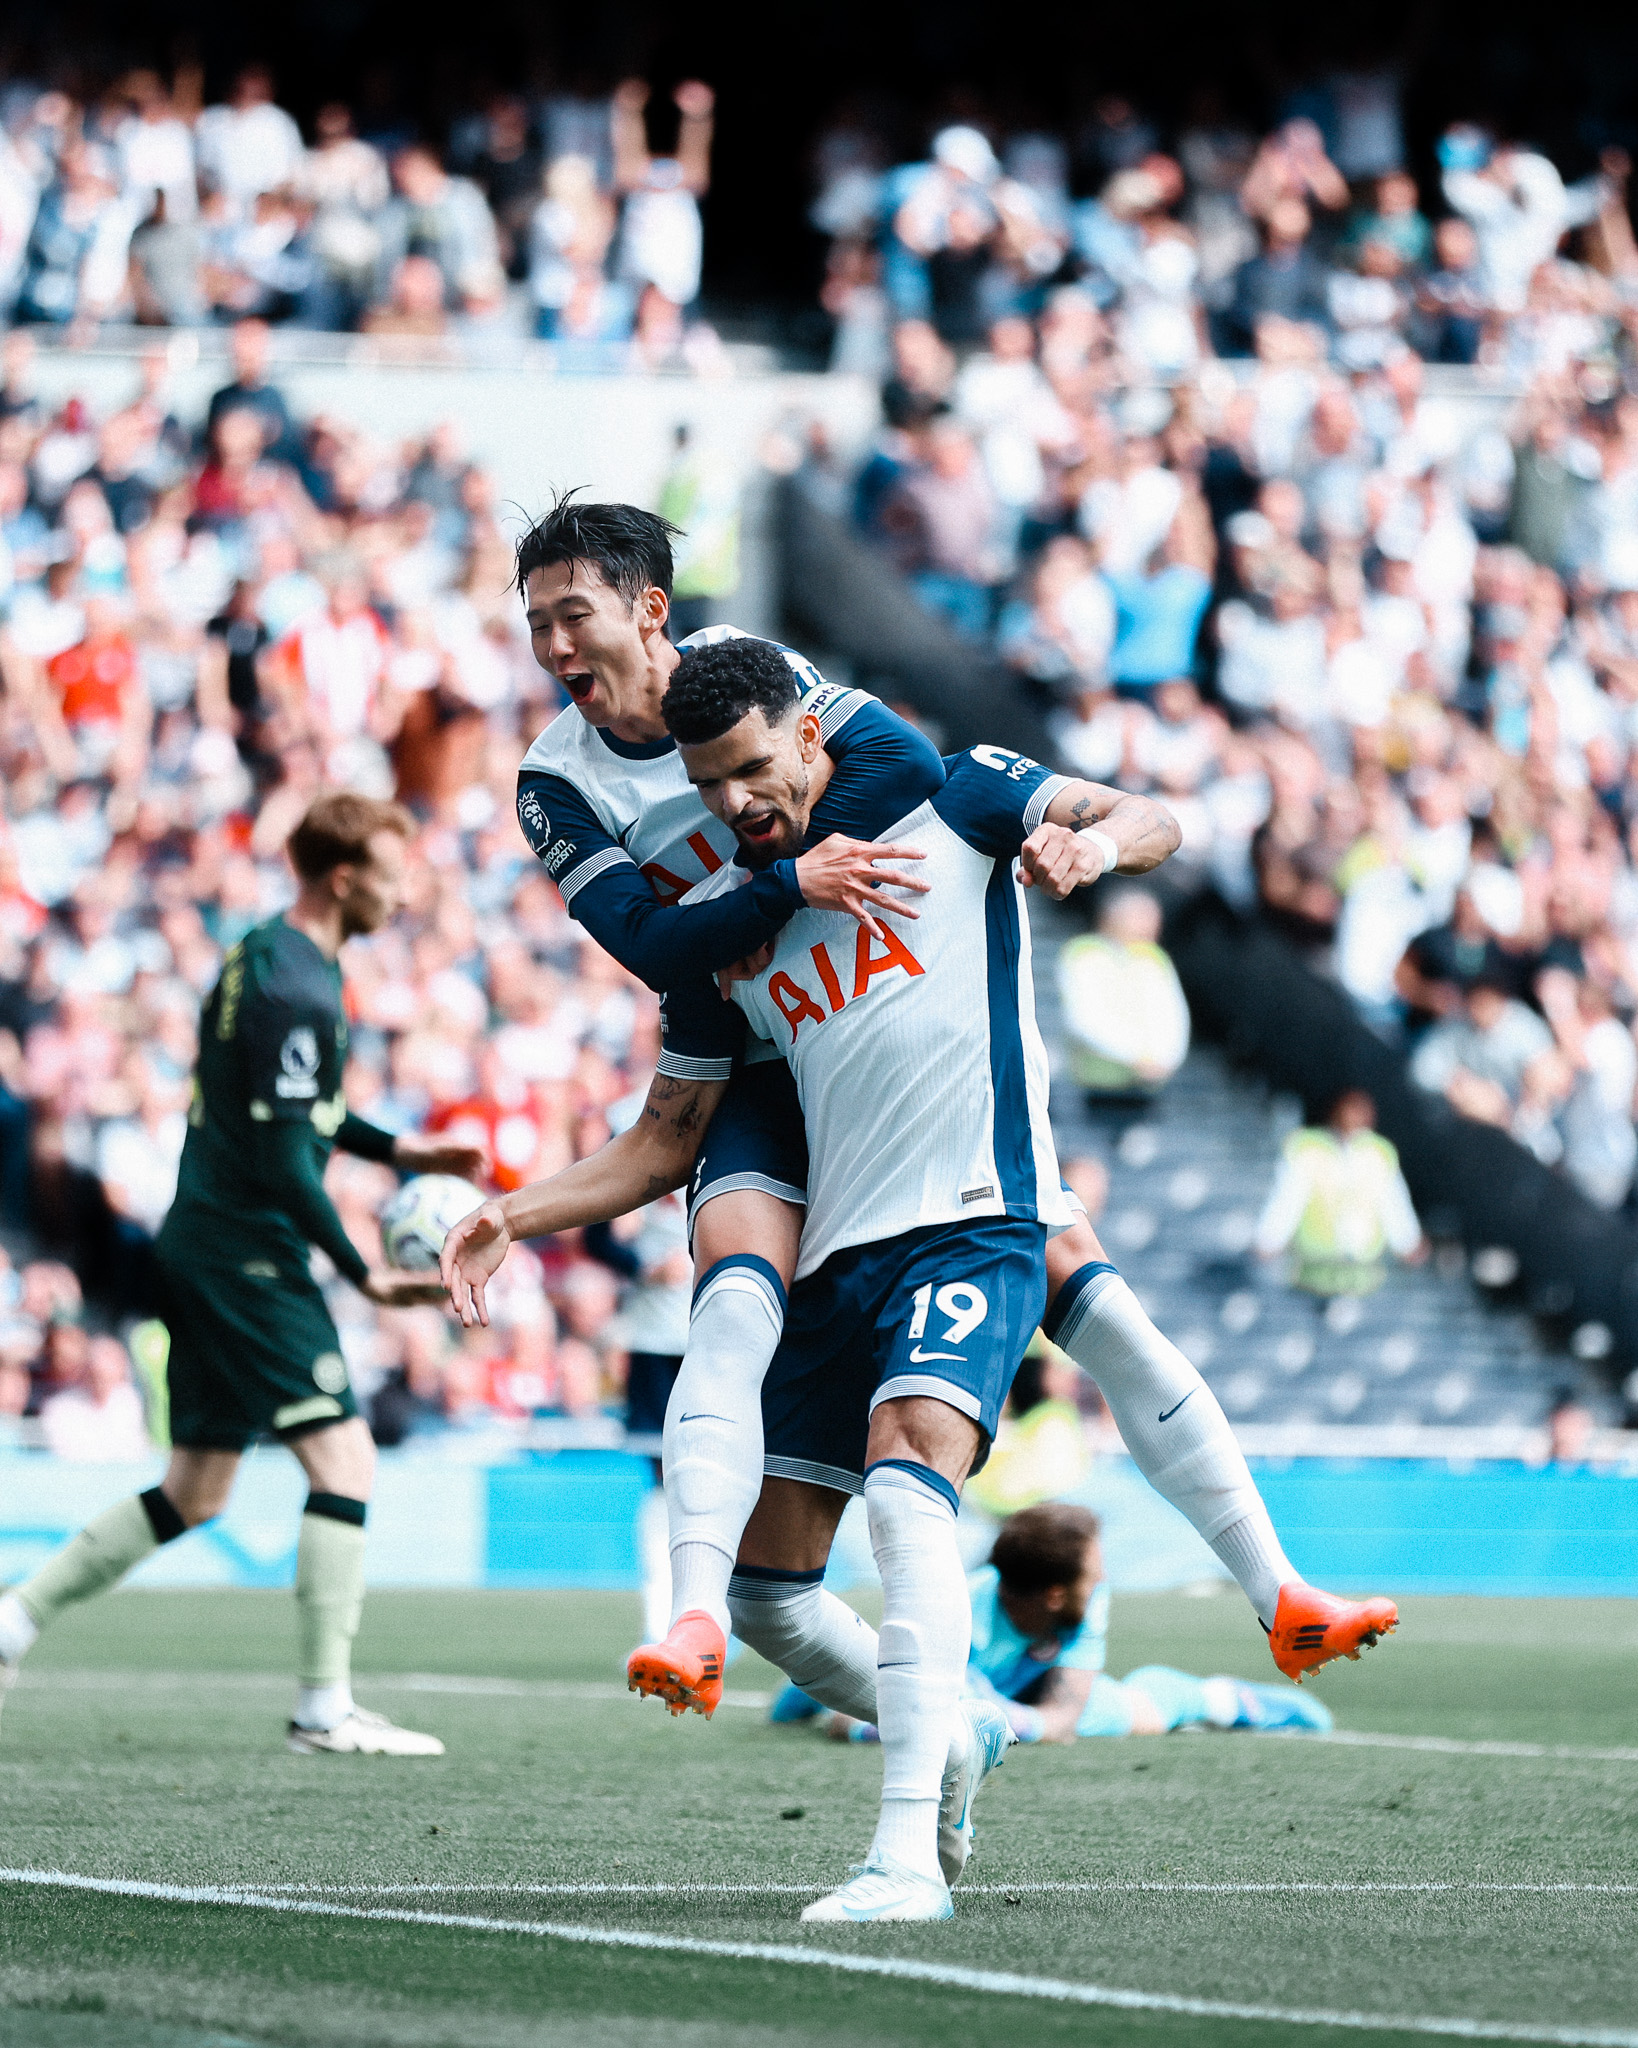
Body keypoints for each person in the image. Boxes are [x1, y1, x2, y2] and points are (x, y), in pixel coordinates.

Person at [507, 500, 1393, 1727]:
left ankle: (1275, 1584)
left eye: (572, 613)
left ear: (649, 610)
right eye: (535, 619)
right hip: (756, 1038)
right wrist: (784, 885)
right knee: (735, 1287)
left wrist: (814, 875)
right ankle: (698, 1611)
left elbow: (912, 775)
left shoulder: (764, 676)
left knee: (1071, 1268)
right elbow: (652, 944)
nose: (551, 644)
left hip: (863, 1002)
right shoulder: (555, 779)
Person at [0, 793, 483, 1754]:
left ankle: (13, 1621)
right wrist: (359, 1271)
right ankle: (324, 1707)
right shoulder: (296, 986)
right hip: (245, 1258)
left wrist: (405, 1156)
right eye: (392, 871)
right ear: (344, 876)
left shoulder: (270, 955)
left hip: (210, 1243)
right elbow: (281, 1160)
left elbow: (303, 1118)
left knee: (196, 1491)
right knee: (344, 1458)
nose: (403, 891)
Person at [776, 1502, 1332, 1744]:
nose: (1105, 1578)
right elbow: (853, 1727)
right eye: (1093, 1573)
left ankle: (1230, 1701)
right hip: (947, 1675)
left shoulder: (1086, 1602)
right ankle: (808, 1680)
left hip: (1011, 1694)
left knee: (1138, 1714)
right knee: (871, 1716)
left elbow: (1061, 1718)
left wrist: (1001, 1717)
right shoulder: (954, 1615)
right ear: (1054, 1593)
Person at [1254, 1088, 1425, 1298]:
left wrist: (1408, 1241)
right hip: (1314, 1266)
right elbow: (1287, 1199)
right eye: (1352, 1108)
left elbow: (1393, 1202)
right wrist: (1269, 1239)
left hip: (1364, 1270)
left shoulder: (1379, 1151)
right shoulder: (1308, 1146)